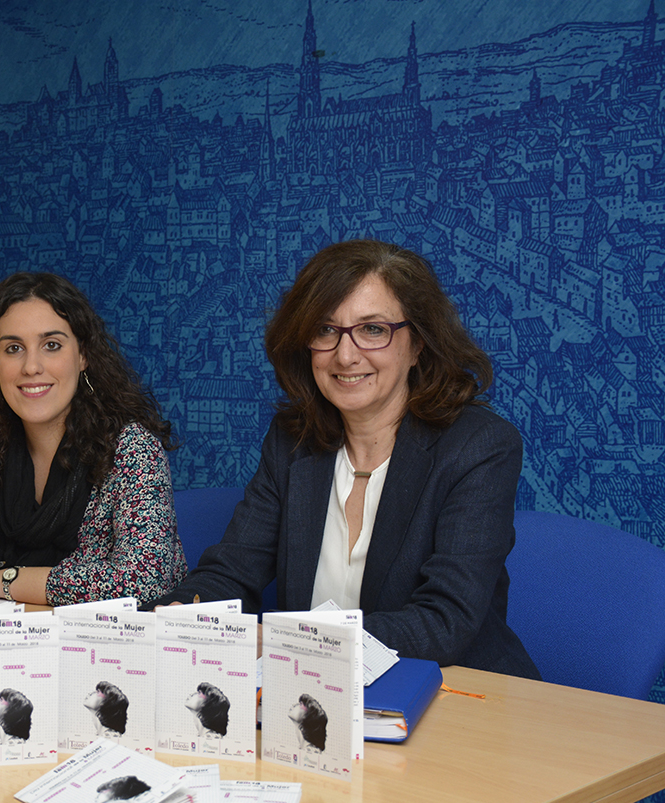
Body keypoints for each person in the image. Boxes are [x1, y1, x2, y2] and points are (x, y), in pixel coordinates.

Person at [152, 239, 540, 680]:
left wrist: (290, 641)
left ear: (418, 346)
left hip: (456, 695)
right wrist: (187, 611)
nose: (346, 354)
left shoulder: (479, 446)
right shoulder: (292, 441)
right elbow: (233, 569)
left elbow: (444, 622)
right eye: (325, 330)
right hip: (317, 691)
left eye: (373, 329)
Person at [0, 271, 187, 606]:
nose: (31, 366)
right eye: (13, 348)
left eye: (51, 345)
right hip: (20, 642)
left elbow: (142, 581)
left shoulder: (130, 449)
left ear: (83, 355)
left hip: (119, 647)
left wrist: (3, 581)